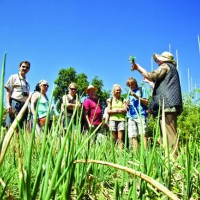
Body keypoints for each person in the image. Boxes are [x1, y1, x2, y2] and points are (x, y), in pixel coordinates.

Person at [130, 51, 183, 153]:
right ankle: (168, 158)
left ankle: (174, 159)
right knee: (165, 133)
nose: (158, 61)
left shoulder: (165, 66)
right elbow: (162, 86)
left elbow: (152, 75)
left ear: (165, 60)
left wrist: (138, 68)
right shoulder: (171, 70)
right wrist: (150, 83)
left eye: (159, 59)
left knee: (169, 133)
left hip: (167, 104)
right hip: (167, 104)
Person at [5, 60, 31, 129]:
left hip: (24, 105)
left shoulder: (27, 82)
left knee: (21, 126)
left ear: (29, 69)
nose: (25, 69)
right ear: (19, 67)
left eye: (27, 67)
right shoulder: (13, 77)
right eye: (23, 67)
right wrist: (8, 104)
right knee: (11, 125)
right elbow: (8, 92)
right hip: (15, 103)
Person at [126, 77, 148, 151]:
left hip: (140, 115)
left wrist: (136, 96)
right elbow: (127, 104)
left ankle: (145, 153)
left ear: (135, 83)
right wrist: (126, 105)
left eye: (131, 84)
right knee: (133, 135)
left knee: (143, 134)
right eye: (129, 85)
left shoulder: (142, 90)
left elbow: (146, 102)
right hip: (131, 116)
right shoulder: (129, 93)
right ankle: (136, 154)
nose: (130, 86)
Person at [107, 84, 127, 149]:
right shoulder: (110, 99)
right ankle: (114, 151)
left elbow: (125, 110)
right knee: (113, 137)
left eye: (119, 90)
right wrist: (119, 110)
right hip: (112, 119)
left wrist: (115, 110)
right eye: (117, 90)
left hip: (121, 120)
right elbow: (108, 111)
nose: (118, 91)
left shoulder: (123, 99)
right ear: (113, 91)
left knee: (120, 138)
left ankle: (120, 152)